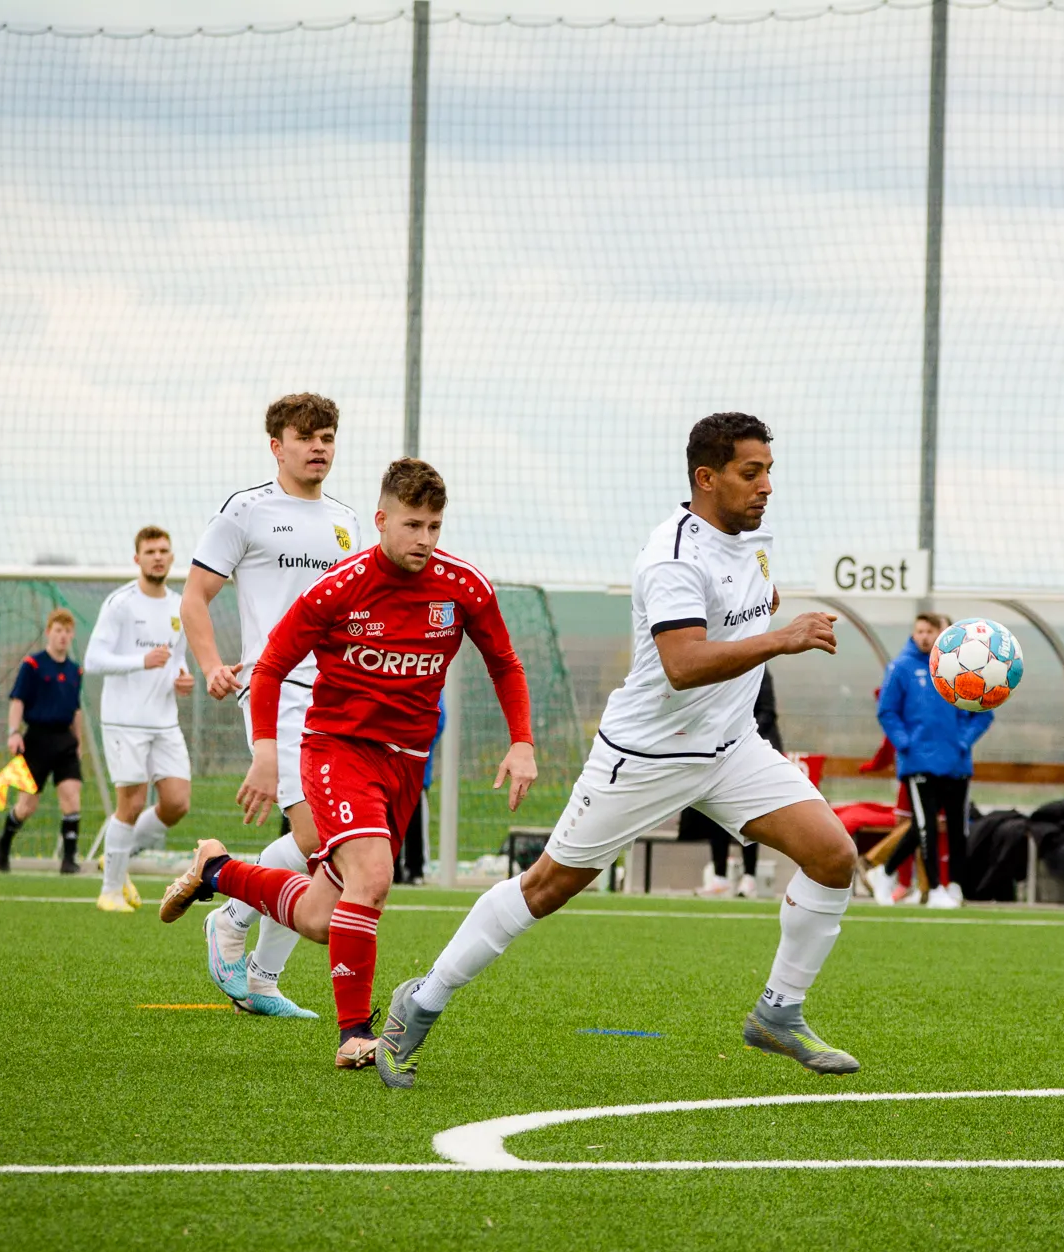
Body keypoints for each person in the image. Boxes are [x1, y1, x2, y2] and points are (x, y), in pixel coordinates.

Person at [370, 411, 863, 1090]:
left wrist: (761, 610)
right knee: (545, 887)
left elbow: (747, 600)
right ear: (706, 477)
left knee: (834, 856)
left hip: (731, 749)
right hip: (647, 756)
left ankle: (779, 1011)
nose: (767, 486)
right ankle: (419, 1001)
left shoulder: (752, 538)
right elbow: (683, 664)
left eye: (769, 471)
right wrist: (782, 636)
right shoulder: (671, 557)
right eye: (752, 473)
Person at [156, 459, 537, 1071]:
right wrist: (265, 752)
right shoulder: (339, 587)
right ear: (381, 520)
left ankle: (218, 870)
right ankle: (354, 1034)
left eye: (435, 526)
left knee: (319, 919)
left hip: (406, 764)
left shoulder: (463, 586)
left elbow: (505, 663)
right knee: (373, 878)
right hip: (338, 749)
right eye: (412, 525)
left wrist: (522, 742)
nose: (425, 540)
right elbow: (272, 666)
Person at [180, 393, 364, 1019]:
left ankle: (261, 978)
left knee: (327, 844)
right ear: (276, 446)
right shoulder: (246, 510)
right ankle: (232, 918)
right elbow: (195, 597)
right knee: (314, 837)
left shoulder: (346, 521)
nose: (319, 447)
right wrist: (212, 664)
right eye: (306, 436)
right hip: (276, 689)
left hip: (338, 696)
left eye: (327, 437)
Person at [83, 526, 195, 912]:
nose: (158, 557)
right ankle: (110, 891)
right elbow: (93, 660)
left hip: (164, 720)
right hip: (125, 720)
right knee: (130, 804)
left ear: (172, 557)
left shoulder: (179, 606)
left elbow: (177, 659)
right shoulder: (120, 604)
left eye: (163, 550)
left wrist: (182, 679)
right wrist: (141, 661)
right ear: (137, 559)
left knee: (177, 802)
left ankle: (116, 854)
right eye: (150, 552)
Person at [867, 611, 994, 908]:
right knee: (926, 827)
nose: (924, 636)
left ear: (941, 634)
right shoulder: (901, 668)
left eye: (930, 631)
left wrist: (962, 741)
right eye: (920, 631)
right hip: (919, 762)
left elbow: (983, 712)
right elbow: (887, 711)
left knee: (956, 827)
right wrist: (905, 743)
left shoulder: (960, 666)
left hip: (956, 763)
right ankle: (934, 888)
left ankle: (952, 886)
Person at [0, 608, 87, 875]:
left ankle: (68, 860)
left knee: (71, 797)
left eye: (67, 631)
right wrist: (14, 733)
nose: (63, 636)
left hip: (65, 741)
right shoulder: (33, 665)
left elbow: (76, 711)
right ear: (49, 632)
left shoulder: (75, 671)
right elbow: (18, 701)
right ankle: (4, 841)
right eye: (58, 630)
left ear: (72, 635)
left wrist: (78, 742)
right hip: (36, 740)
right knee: (27, 806)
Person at [697, 668, 782, 898]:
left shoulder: (761, 670)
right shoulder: (720, 668)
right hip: (720, 753)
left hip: (752, 752)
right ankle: (719, 877)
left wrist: (741, 737)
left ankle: (749, 877)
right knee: (716, 812)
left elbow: (767, 712)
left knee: (750, 815)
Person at [395, 705, 449, 885]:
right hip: (386, 765)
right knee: (386, 820)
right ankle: (393, 870)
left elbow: (439, 719)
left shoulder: (431, 689)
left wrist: (413, 740)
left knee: (414, 819)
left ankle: (415, 870)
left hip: (415, 767)